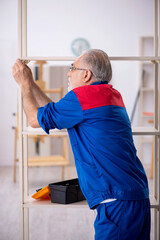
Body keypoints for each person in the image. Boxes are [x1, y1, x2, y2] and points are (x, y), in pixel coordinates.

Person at [12, 49, 150, 240]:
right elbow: (54, 113)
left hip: (116, 202)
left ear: (86, 75)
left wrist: (24, 85)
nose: (68, 73)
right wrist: (33, 84)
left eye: (72, 68)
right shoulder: (110, 95)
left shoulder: (82, 97)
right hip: (136, 195)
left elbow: (35, 119)